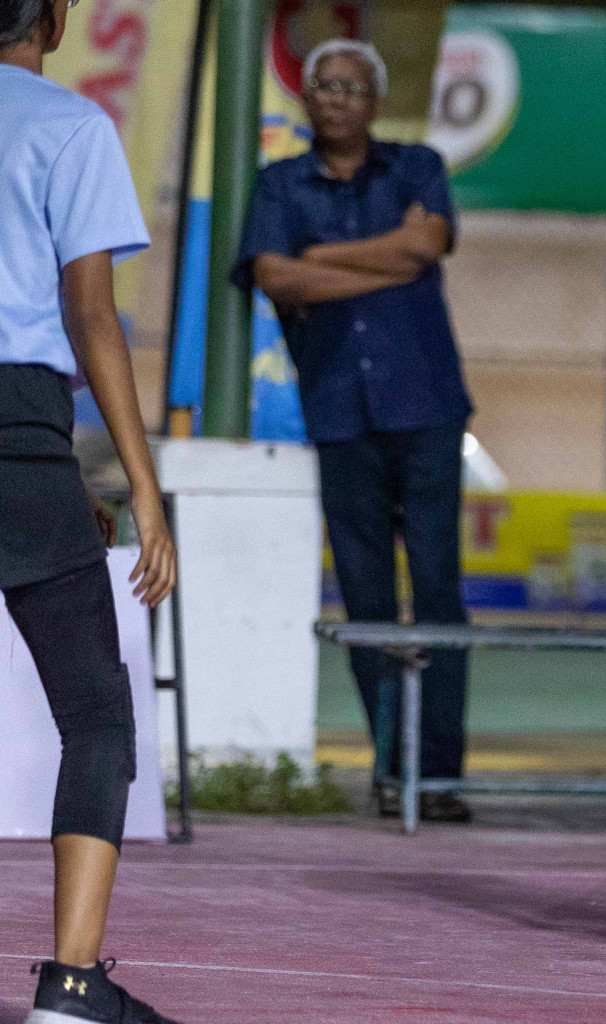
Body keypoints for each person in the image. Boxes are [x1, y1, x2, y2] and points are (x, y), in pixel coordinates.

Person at [233, 39, 474, 823]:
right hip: (338, 412)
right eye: (322, 86)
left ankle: (437, 777)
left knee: (437, 592)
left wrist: (321, 260)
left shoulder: (417, 167)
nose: (335, 97)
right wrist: (384, 259)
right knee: (367, 601)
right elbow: (272, 274)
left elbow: (425, 246)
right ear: (307, 101)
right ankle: (392, 766)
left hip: (427, 408)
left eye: (350, 86)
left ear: (373, 100)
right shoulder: (278, 183)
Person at [1, 1, 180, 1020]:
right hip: (19, 431)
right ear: (56, 17)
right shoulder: (69, 127)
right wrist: (140, 487)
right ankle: (72, 986)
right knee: (98, 716)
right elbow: (90, 312)